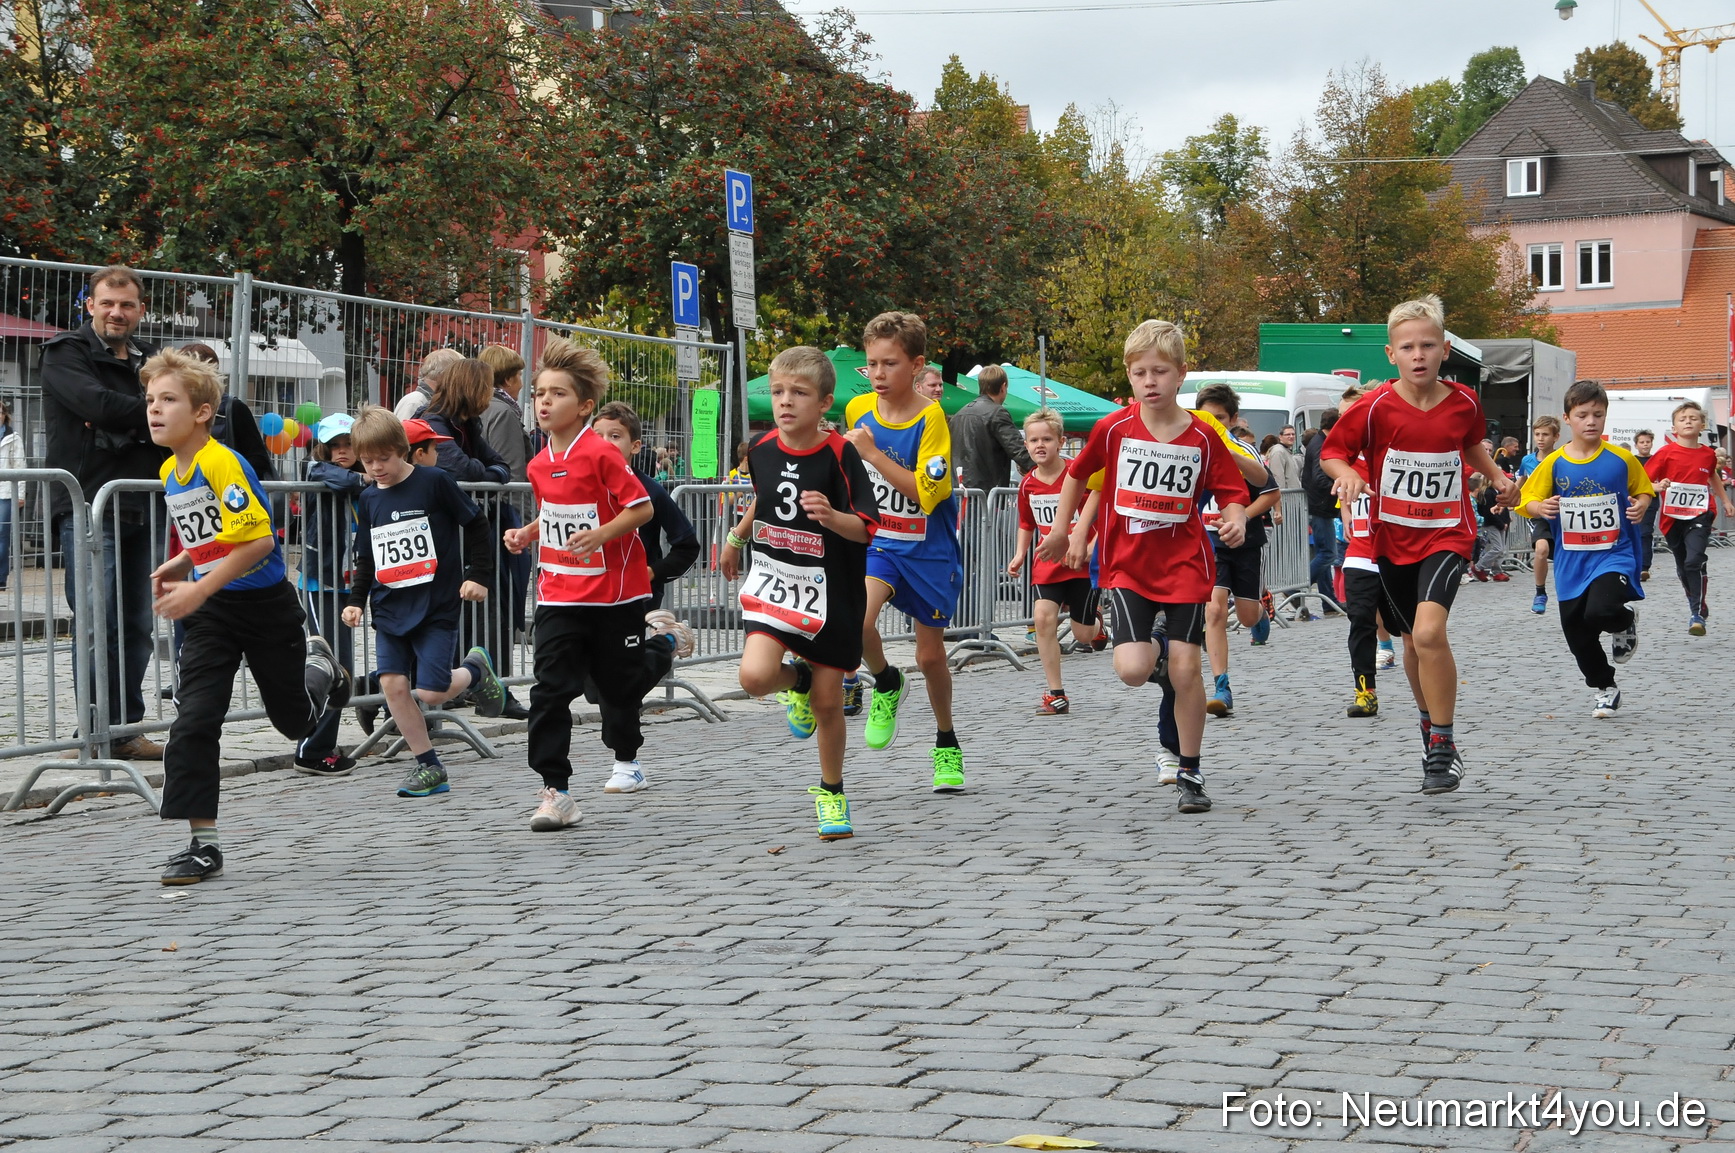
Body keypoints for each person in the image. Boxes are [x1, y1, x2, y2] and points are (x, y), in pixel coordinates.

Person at [143, 349, 350, 883]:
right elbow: (214, 535)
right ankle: (202, 843)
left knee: (295, 724)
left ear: (204, 412)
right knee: (193, 720)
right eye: (150, 400)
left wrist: (196, 587)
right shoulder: (172, 469)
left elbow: (257, 541)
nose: (155, 409)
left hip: (264, 606)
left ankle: (322, 671)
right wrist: (183, 561)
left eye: (169, 400)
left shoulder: (221, 461)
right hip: (214, 612)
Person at [1036, 319, 1248, 814]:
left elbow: (1232, 490)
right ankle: (1159, 655)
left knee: (1187, 669)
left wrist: (1235, 518)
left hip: (1186, 567)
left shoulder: (1202, 435)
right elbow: (1076, 474)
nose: (1149, 382)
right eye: (1139, 373)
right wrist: (1064, 530)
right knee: (1132, 669)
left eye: (1160, 372)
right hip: (1128, 566)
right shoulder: (1114, 428)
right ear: (1129, 378)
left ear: (1181, 375)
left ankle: (1190, 772)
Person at [1321, 294, 1518, 796]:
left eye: (1428, 344)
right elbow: (1333, 453)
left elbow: (1469, 441)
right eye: (1407, 346)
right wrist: (1346, 477)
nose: (1419, 355)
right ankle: (1430, 725)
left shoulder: (1465, 401)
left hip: (1448, 532)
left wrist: (1495, 475)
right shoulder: (1373, 407)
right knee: (1410, 640)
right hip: (1391, 538)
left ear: (1444, 348)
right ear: (1391, 355)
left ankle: (1444, 745)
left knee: (1430, 633)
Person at [502, 338, 661, 831]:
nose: (544, 402)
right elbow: (555, 511)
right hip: (558, 592)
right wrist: (528, 533)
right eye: (538, 393)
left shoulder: (601, 454)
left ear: (584, 405)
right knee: (550, 689)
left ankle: (665, 645)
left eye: (557, 394)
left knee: (616, 688)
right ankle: (556, 791)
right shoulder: (537, 462)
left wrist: (600, 536)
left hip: (614, 594)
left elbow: (642, 509)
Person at [721, 347, 879, 839]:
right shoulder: (761, 449)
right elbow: (766, 500)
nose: (786, 402)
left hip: (830, 592)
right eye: (778, 392)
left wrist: (833, 517)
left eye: (799, 393)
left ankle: (832, 792)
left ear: (824, 403)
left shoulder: (839, 454)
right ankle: (798, 683)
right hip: (775, 583)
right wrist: (735, 537)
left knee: (831, 705)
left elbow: (867, 527)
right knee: (754, 676)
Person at [342, 408, 504, 799]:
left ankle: (476, 672)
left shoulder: (434, 482)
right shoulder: (367, 498)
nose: (377, 467)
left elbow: (477, 524)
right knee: (393, 685)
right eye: (368, 460)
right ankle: (429, 766)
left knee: (432, 692)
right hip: (389, 606)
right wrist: (356, 602)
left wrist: (478, 575)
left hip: (435, 603)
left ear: (403, 450)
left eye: (384, 457)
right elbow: (367, 556)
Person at [40, 265, 166, 760]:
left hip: (143, 502)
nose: (117, 312)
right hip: (89, 505)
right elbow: (94, 403)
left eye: (127, 304)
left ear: (141, 309)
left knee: (136, 623)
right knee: (97, 623)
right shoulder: (65, 352)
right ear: (89, 305)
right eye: (108, 303)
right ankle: (95, 734)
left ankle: (125, 731)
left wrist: (130, 413)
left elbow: (132, 410)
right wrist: (152, 412)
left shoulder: (152, 358)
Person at [844, 312, 967, 792]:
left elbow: (926, 494)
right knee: (859, 620)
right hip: (881, 543)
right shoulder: (857, 411)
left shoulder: (932, 417)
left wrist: (874, 455)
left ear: (916, 366)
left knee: (931, 655)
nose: (877, 374)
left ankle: (946, 741)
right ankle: (886, 682)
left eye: (889, 364)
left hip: (928, 547)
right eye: (871, 364)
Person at [1516, 382, 1651, 718]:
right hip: (1571, 559)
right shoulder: (1555, 463)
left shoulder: (1621, 459)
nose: (1591, 421)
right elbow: (1527, 499)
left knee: (1601, 611)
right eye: (1583, 415)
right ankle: (1605, 687)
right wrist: (1541, 508)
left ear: (1605, 417)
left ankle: (1622, 620)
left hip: (1613, 552)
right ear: (1568, 419)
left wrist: (1642, 506)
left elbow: (1644, 489)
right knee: (1576, 631)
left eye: (1598, 414)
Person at [586, 400, 699, 793]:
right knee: (593, 684)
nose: (604, 443)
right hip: (585, 594)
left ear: (635, 447)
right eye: (597, 435)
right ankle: (667, 641)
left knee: (615, 683)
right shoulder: (579, 484)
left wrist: (651, 572)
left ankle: (626, 763)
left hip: (636, 599)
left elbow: (687, 544)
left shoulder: (649, 490)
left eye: (614, 437)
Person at [1007, 408, 1104, 715]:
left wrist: (1091, 546)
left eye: (1047, 439)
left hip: (1080, 563)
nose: (1040, 445)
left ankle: (1098, 623)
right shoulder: (1027, 484)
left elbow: (1102, 513)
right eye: (1033, 439)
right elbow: (1026, 522)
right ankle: (1055, 692)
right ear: (1026, 444)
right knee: (1043, 619)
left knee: (1083, 635)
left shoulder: (1079, 475)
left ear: (1061, 441)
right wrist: (1020, 553)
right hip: (1048, 564)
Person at [1193, 384, 1279, 717]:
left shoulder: (1243, 450)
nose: (1213, 423)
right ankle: (1221, 686)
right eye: (1206, 417)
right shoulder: (1191, 450)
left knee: (1244, 614)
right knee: (1213, 611)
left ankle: (1260, 611)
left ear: (1232, 419)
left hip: (1245, 540)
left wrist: (1242, 514)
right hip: (1211, 540)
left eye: (1220, 418)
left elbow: (1270, 493)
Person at [292, 413, 365, 777]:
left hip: (351, 585)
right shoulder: (317, 470)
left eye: (348, 444)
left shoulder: (366, 476)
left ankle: (323, 744)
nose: (341, 452)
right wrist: (362, 478)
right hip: (321, 583)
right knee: (327, 667)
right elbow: (328, 476)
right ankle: (311, 748)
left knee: (344, 670)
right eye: (335, 445)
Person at [1644, 400, 1734, 635]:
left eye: (1693, 418)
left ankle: (1696, 613)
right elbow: (1643, 482)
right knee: (1684, 566)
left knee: (1694, 560)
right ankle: (1697, 602)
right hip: (1671, 519)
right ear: (1674, 427)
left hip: (1701, 513)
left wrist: (1725, 501)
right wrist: (1658, 486)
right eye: (1683, 419)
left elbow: (1713, 477)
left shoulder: (1707, 454)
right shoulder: (1665, 453)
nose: (1688, 422)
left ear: (1702, 424)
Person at [949, 364, 1034, 492]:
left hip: (958, 491)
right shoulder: (997, 413)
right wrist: (1048, 471)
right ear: (1003, 387)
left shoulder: (959, 415)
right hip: (987, 494)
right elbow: (1019, 451)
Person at [1301, 408, 1344, 613]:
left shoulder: (1320, 441)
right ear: (1335, 425)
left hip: (1319, 506)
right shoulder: (1321, 444)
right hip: (1319, 506)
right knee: (1328, 554)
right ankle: (1298, 590)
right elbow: (1319, 478)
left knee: (1323, 553)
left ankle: (1329, 602)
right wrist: (1340, 484)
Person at [1520, 416, 1560, 614]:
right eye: (1537, 434)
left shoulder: (1562, 457)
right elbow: (1521, 483)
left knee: (1563, 555)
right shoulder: (1527, 460)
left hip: (1561, 513)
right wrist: (1505, 501)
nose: (1540, 438)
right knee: (1541, 549)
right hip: (1537, 513)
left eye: (1545, 434)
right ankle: (1540, 592)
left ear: (1556, 437)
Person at [394, 347, 462, 421]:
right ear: (445, 375)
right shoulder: (415, 402)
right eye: (458, 375)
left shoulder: (428, 401)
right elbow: (404, 432)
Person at [1468, 474, 1511, 582]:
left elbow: (1503, 508)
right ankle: (1478, 567)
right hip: (1492, 524)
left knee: (1501, 550)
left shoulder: (1496, 492)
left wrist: (1506, 520)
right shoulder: (1487, 493)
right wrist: (1501, 523)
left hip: (1500, 523)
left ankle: (1497, 571)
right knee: (1497, 548)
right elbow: (1489, 513)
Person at [0, 400, 22, 591]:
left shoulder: (13, 438)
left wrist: (20, 494)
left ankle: (0, 578)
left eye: (0, 412)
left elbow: (20, 467)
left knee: (2, 535)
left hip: (5, 493)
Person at [1632, 429, 1657, 579]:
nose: (1645, 445)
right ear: (1636, 445)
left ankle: (1644, 567)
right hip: (1632, 501)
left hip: (1651, 502)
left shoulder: (1656, 460)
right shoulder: (1632, 460)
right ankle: (1633, 564)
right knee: (1632, 534)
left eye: (1648, 442)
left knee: (1645, 533)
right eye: (1642, 442)